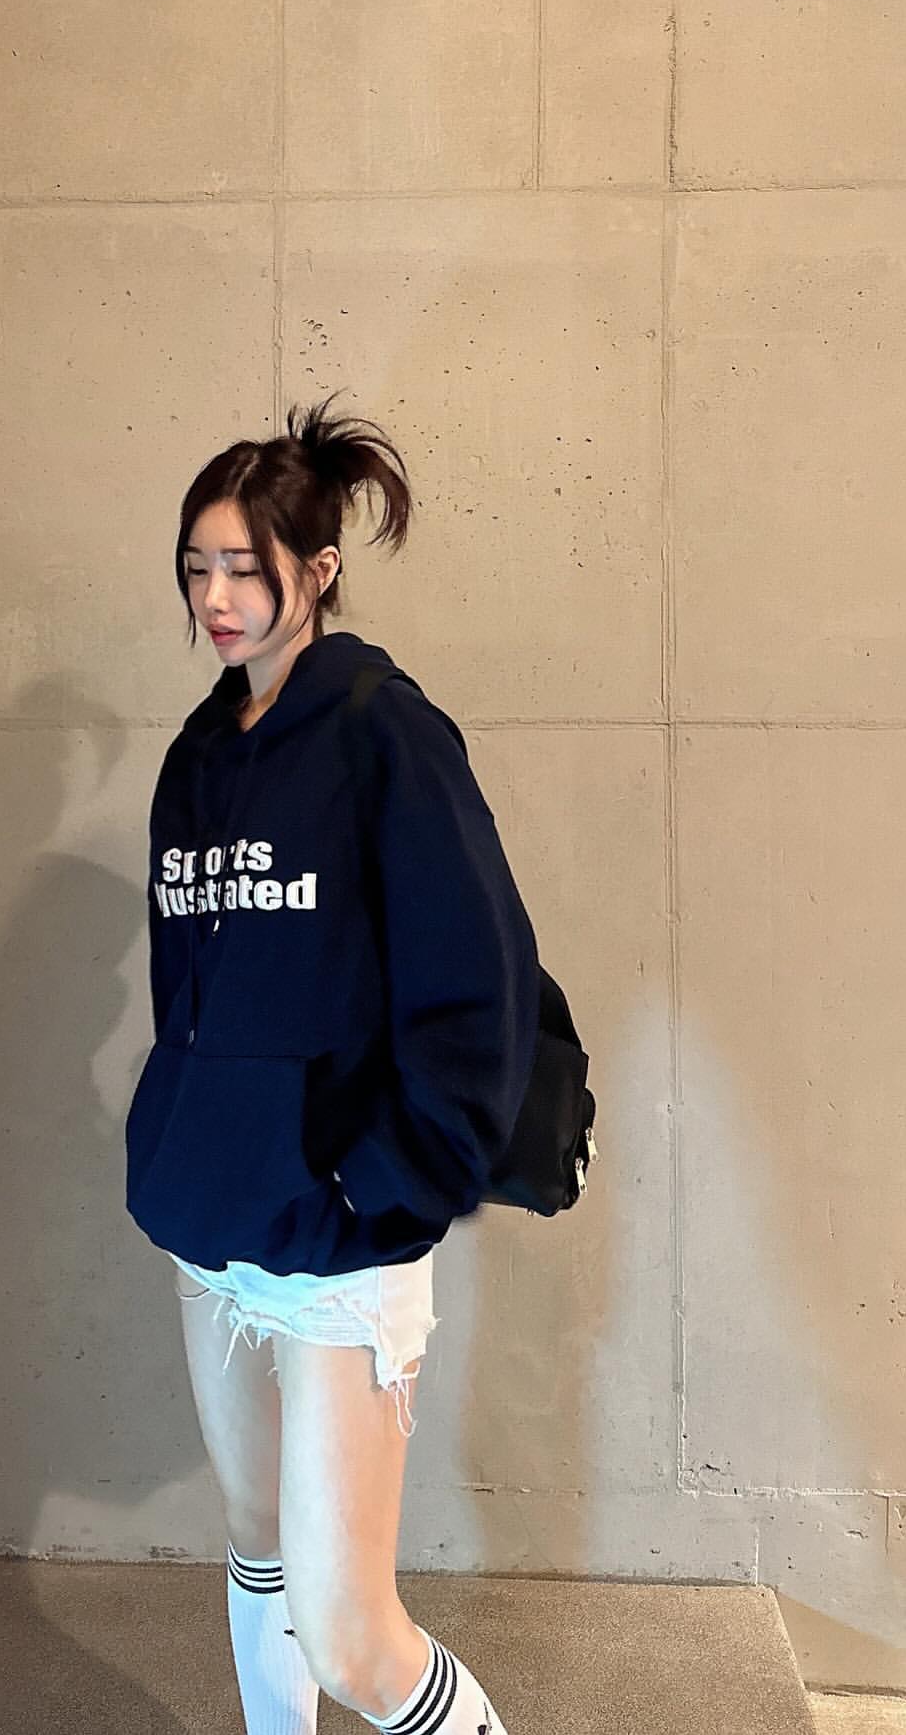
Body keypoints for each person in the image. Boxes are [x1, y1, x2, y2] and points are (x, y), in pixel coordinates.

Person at [125, 392, 539, 1735]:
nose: (217, 597)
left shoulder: (383, 732)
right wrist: (182, 1141)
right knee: (256, 1540)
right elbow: (189, 991)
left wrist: (386, 1181)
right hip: (218, 1216)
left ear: (318, 569)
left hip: (341, 1235)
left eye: (245, 568)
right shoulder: (199, 756)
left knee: (354, 1636)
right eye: (197, 567)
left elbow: (479, 979)